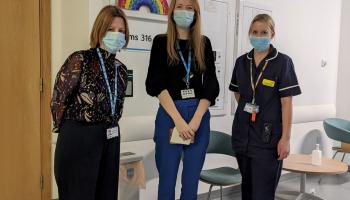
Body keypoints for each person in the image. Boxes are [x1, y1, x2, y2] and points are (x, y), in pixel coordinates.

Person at [51, 5, 129, 200]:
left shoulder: (121, 70)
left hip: (110, 138)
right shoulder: (80, 59)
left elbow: (117, 106)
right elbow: (59, 99)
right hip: (79, 136)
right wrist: (71, 131)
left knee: (107, 194)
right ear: (100, 30)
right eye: (111, 29)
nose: (117, 34)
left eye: (121, 31)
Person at [145, 0, 219, 199]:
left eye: (190, 8)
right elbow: (155, 84)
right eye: (180, 7)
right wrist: (179, 121)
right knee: (167, 178)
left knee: (191, 179)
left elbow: (211, 85)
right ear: (171, 11)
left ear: (196, 13)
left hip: (198, 115)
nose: (184, 12)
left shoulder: (203, 43)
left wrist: (194, 122)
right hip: (170, 114)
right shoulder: (161, 42)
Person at [229, 14, 301, 200]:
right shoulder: (241, 62)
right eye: (255, 32)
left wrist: (285, 138)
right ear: (249, 33)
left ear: (272, 34)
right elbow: (238, 93)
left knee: (262, 194)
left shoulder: (282, 62)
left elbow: (287, 103)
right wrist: (250, 109)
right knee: (247, 191)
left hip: (268, 139)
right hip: (242, 136)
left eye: (263, 32)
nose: (258, 36)